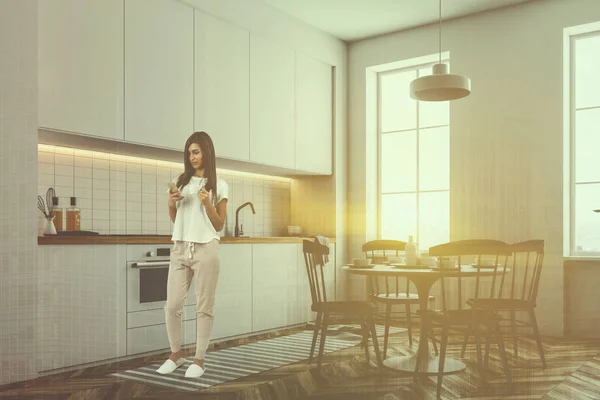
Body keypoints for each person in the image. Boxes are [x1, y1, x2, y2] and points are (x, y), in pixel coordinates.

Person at [156, 131, 228, 378]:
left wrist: (207, 203)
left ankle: (199, 360)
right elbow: (178, 219)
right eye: (189, 153)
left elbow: (219, 225)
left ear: (207, 152)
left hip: (206, 248)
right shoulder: (182, 181)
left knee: (203, 307)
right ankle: (175, 355)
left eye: (196, 152)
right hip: (180, 247)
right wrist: (170, 203)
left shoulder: (220, 185)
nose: (192, 157)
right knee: (172, 305)